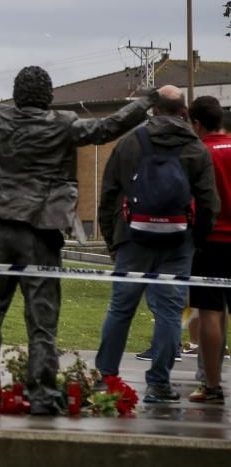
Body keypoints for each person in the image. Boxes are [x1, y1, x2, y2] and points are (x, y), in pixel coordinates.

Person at [0, 67, 157, 415]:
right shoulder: (63, 124)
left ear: (17, 94)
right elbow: (106, 128)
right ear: (49, 96)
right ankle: (40, 392)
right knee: (42, 317)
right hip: (40, 229)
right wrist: (143, 103)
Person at [94, 86, 218, 404]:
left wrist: (113, 240)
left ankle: (106, 376)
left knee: (121, 309)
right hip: (178, 242)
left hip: (132, 238)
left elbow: (109, 194)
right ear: (184, 112)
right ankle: (159, 384)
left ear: (155, 110)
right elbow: (208, 203)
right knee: (170, 312)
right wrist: (196, 241)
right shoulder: (195, 148)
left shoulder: (130, 143)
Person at [186, 95, 231, 404]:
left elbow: (193, 203)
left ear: (197, 123)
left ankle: (212, 386)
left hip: (212, 242)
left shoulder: (199, 154)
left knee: (210, 313)